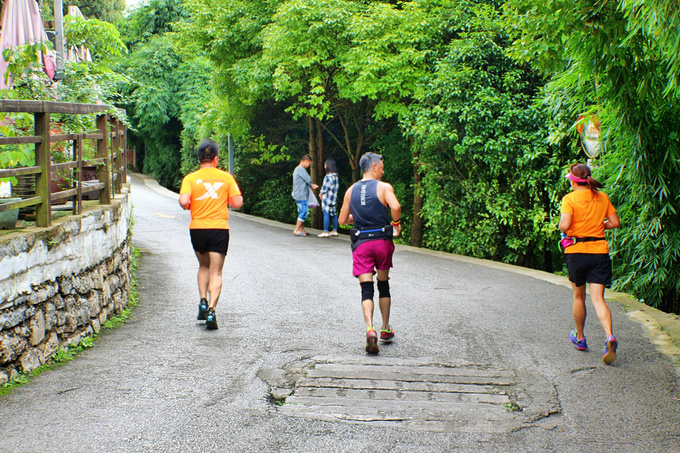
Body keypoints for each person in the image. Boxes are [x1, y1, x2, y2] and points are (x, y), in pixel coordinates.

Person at [338, 152, 402, 354]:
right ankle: (385, 328)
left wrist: (357, 218)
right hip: (382, 241)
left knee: (366, 288)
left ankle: (370, 329)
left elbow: (342, 220)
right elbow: (396, 206)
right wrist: (396, 224)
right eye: (381, 167)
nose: (383, 170)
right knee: (383, 284)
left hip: (362, 243)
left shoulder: (350, 191)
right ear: (374, 167)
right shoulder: (384, 187)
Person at [559, 163, 621, 364]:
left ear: (574, 180)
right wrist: (600, 224)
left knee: (579, 297)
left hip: (577, 252)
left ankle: (581, 338)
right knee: (598, 299)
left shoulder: (569, 199)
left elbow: (566, 226)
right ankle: (610, 336)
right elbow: (615, 223)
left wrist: (562, 227)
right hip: (599, 253)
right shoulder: (602, 197)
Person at [179, 140, 243, 330]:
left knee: (203, 265)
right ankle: (212, 312)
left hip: (197, 228)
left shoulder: (190, 179)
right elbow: (237, 202)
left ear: (199, 159)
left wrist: (192, 203)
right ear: (216, 158)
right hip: (219, 229)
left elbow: (183, 201)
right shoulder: (226, 178)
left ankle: (202, 302)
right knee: (216, 271)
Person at [291, 154, 318, 236]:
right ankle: (296, 230)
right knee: (304, 212)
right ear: (305, 161)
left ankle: (302, 230)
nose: (308, 165)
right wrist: (311, 184)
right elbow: (308, 178)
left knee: (300, 212)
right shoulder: (300, 169)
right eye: (309, 163)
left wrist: (311, 185)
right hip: (301, 194)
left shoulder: (297, 169)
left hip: (298, 194)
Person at [318, 158, 340, 238]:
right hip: (334, 198)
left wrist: (321, 193)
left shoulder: (328, 176)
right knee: (334, 214)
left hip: (327, 198)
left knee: (326, 213)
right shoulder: (336, 176)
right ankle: (334, 230)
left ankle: (325, 231)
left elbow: (325, 187)